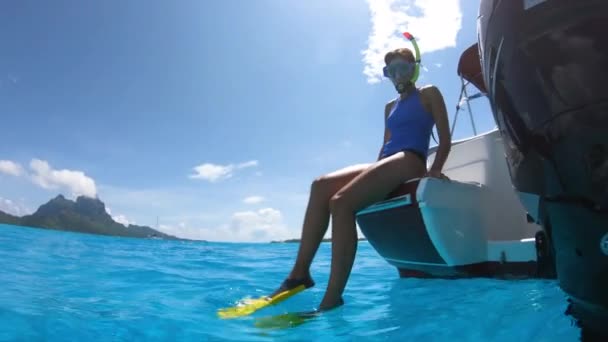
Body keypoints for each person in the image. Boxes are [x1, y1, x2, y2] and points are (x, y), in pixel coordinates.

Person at [272, 46, 452, 312]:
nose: (397, 75)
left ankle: (332, 299)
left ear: (414, 69)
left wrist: (435, 169)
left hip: (411, 160)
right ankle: (300, 275)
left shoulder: (429, 93)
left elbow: (445, 138)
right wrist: (373, 177)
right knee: (320, 185)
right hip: (389, 162)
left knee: (341, 203)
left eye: (403, 67)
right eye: (391, 71)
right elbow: (385, 145)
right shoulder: (389, 107)